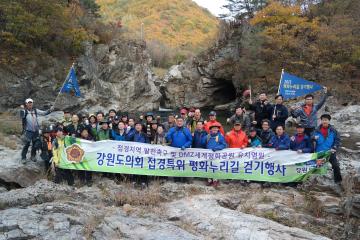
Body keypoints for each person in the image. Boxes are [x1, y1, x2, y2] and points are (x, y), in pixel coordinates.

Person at [20, 98, 53, 163]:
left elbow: (44, 113)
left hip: (36, 131)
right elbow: (21, 116)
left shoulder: (35, 110)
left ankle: (33, 156)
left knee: (35, 144)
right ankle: (23, 158)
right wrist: (22, 109)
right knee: (26, 144)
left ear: (32, 103)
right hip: (28, 131)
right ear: (26, 104)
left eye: (31, 103)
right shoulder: (24, 111)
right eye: (28, 103)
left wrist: (50, 110)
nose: (30, 104)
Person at [313, 114, 341, 183]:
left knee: (336, 166)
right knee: (314, 168)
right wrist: (313, 138)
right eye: (323, 120)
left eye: (326, 120)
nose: (324, 121)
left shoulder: (333, 130)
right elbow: (310, 139)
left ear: (329, 121)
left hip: (330, 152)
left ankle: (338, 181)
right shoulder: (316, 130)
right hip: (319, 153)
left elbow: (337, 141)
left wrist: (334, 147)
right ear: (321, 121)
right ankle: (314, 182)